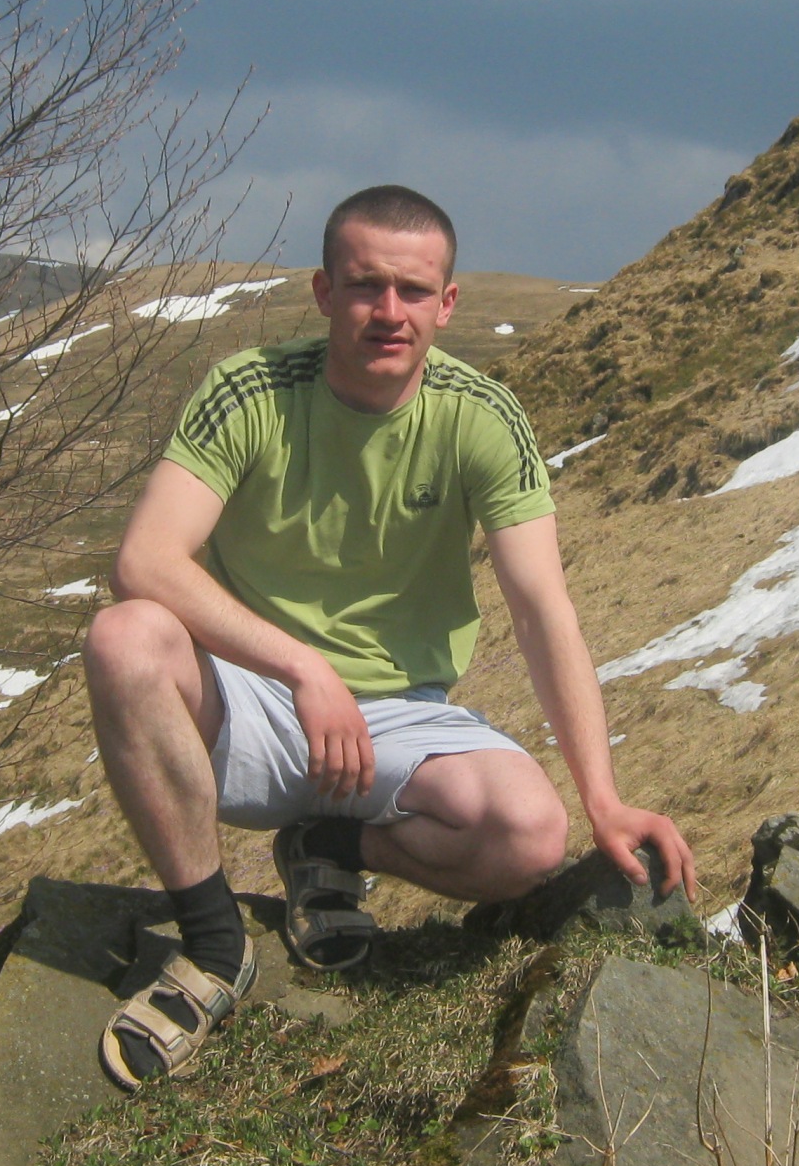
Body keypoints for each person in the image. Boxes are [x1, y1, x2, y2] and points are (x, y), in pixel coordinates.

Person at [83, 184, 697, 1086]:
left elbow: (541, 609)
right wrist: (302, 667)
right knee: (124, 638)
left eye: (413, 291)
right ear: (324, 291)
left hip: (401, 719)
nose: (389, 312)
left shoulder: (481, 416)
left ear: (447, 304)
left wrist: (604, 801)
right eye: (367, 285)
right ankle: (214, 944)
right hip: (254, 694)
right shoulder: (251, 391)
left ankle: (329, 851)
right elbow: (144, 560)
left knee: (531, 835)